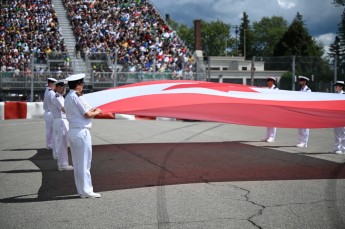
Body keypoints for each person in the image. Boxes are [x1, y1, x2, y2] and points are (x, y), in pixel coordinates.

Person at [64, 73, 102, 198]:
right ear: (78, 85)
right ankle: (87, 191)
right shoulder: (75, 97)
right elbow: (87, 114)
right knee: (85, 163)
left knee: (78, 163)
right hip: (81, 132)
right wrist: (98, 111)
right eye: (82, 83)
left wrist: (93, 110)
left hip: (74, 131)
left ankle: (81, 190)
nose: (83, 85)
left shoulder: (69, 97)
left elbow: (85, 111)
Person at [50, 79, 73, 171]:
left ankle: (63, 163)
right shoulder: (57, 97)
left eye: (65, 87)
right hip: (60, 121)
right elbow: (64, 109)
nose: (64, 88)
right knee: (62, 144)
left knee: (63, 143)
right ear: (58, 87)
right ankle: (63, 164)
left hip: (60, 121)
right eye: (62, 87)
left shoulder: (60, 96)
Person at [296, 76, 311, 148]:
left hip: (305, 111)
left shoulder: (308, 90)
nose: (300, 81)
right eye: (300, 80)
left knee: (305, 128)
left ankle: (304, 142)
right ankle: (300, 141)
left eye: (301, 80)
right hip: (300, 111)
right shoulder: (300, 91)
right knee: (300, 127)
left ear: (305, 82)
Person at [43, 77, 57, 152]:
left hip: (47, 112)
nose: (55, 87)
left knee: (49, 130)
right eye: (54, 85)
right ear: (51, 84)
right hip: (50, 112)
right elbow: (54, 103)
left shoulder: (47, 90)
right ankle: (49, 144)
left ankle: (49, 144)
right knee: (51, 130)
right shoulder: (51, 92)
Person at [263, 77, 278, 143]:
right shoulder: (268, 89)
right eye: (267, 81)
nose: (268, 82)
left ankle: (272, 137)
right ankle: (268, 136)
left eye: (269, 80)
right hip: (268, 108)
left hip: (274, 108)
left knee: (273, 123)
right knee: (268, 123)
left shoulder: (276, 89)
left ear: (272, 81)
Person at [332, 81, 345, 154]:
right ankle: (336, 148)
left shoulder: (343, 95)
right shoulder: (336, 95)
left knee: (343, 133)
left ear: (341, 87)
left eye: (337, 86)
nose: (336, 87)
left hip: (342, 117)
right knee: (336, 133)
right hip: (336, 116)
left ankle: (343, 149)